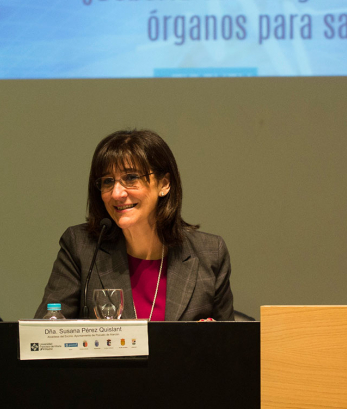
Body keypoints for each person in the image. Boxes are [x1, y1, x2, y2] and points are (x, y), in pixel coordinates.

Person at [35, 129, 234, 321]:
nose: (117, 193)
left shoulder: (210, 253)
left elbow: (230, 346)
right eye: (107, 181)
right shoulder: (81, 247)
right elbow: (47, 333)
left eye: (131, 178)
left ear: (164, 184)